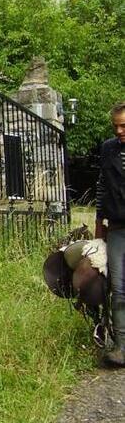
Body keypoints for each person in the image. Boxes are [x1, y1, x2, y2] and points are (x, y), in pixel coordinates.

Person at [97, 101, 125, 367]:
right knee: (118, 288)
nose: (119, 131)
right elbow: (103, 188)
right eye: (115, 126)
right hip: (117, 227)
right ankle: (121, 347)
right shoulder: (108, 150)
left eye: (124, 125)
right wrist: (99, 228)